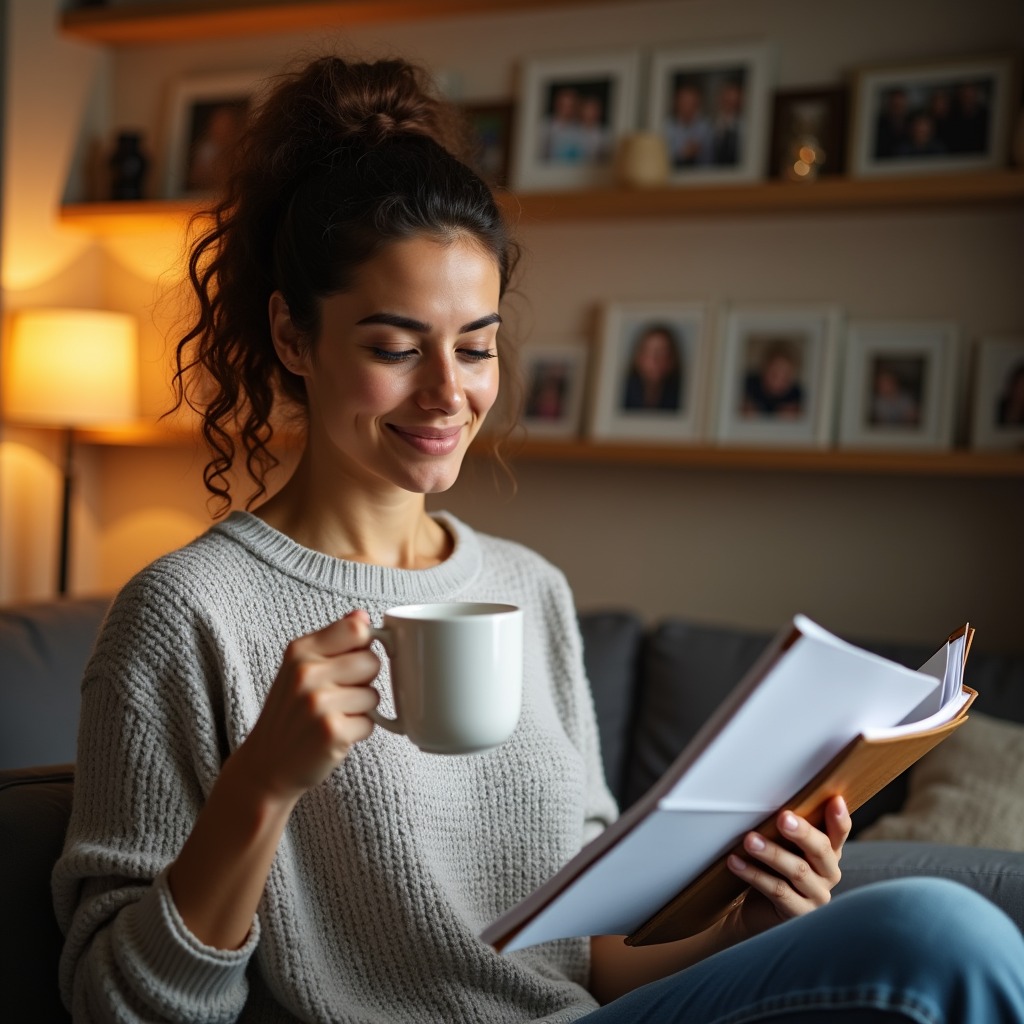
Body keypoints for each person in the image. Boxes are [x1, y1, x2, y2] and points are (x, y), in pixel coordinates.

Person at [52, 54, 1024, 1024]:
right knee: (939, 935)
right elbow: (120, 1004)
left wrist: (744, 925)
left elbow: (584, 960)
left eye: (473, 346)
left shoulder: (529, 589)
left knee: (945, 928)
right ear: (293, 338)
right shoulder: (187, 614)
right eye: (395, 347)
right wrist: (260, 785)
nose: (448, 393)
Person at [622, 323, 683, 411]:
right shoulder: (623, 391)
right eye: (649, 352)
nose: (654, 360)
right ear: (638, 357)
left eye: (662, 353)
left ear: (672, 360)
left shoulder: (681, 395)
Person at [741, 339, 804, 418]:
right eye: (774, 374)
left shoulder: (796, 394)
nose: (777, 382)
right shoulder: (749, 385)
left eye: (785, 378)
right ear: (764, 368)